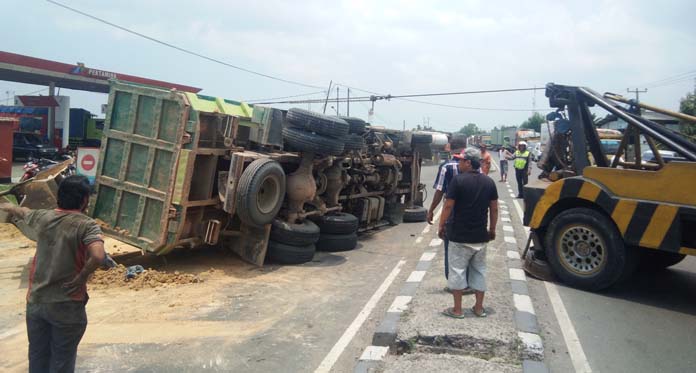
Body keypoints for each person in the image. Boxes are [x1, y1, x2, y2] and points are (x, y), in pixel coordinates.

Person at [0, 175, 106, 373]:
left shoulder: (43, 217)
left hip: (37, 302)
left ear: (59, 196)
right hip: (67, 305)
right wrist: (82, 277)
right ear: (84, 200)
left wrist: (8, 207)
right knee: (62, 362)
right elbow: (98, 256)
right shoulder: (87, 225)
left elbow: (23, 211)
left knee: (38, 358)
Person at [438, 148, 498, 318]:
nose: (459, 163)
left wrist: (441, 225)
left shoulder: (458, 181)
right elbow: (494, 209)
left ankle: (457, 310)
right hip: (480, 236)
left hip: (459, 236)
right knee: (479, 271)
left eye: (461, 161)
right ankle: (479, 308)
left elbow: (448, 206)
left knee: (457, 271)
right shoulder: (489, 182)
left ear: (469, 163)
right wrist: (492, 229)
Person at [427, 154, 460, 284]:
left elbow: (439, 191)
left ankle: (452, 281)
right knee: (467, 245)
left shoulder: (446, 167)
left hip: (451, 210)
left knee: (449, 244)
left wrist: (431, 210)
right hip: (471, 209)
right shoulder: (474, 165)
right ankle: (466, 282)